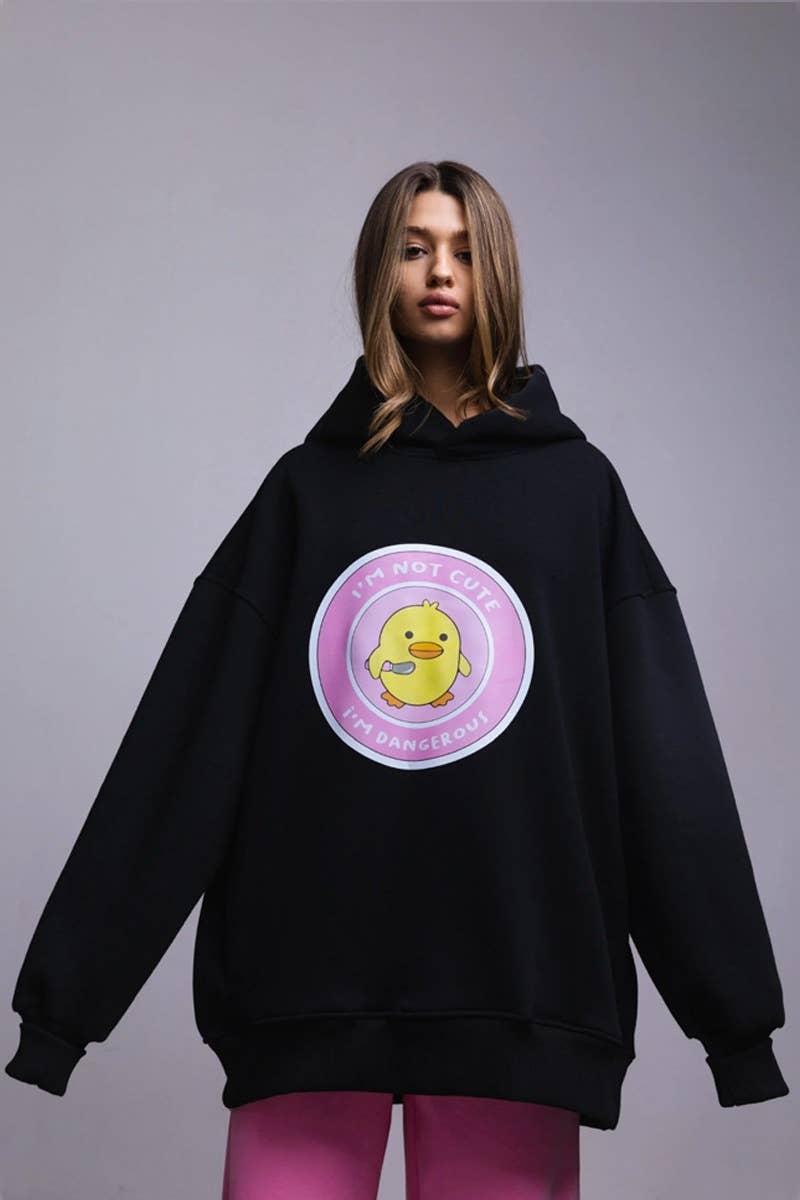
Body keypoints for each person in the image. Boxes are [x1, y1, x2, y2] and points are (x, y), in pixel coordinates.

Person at [5, 161, 789, 1199]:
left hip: (517, 995)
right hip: (306, 995)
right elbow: (185, 744)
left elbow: (662, 759)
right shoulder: (307, 493)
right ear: (380, 271)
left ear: (498, 274)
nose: (440, 272)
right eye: (415, 248)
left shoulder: (576, 496)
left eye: (464, 251)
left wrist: (733, 1022)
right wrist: (64, 1010)